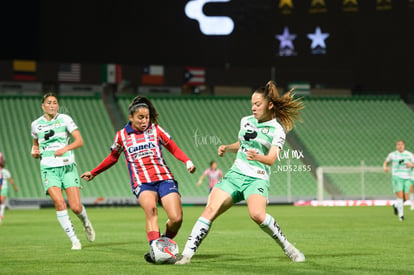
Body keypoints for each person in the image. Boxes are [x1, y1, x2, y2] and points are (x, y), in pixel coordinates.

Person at [176, 80, 306, 265]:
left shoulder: (277, 130)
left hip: (257, 178)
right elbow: (243, 144)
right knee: (210, 209)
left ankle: (289, 248)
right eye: (252, 104)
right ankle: (186, 256)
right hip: (235, 175)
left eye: (257, 104)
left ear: (269, 105)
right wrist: (227, 147)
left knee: (257, 215)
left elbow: (271, 159)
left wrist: (257, 157)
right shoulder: (246, 121)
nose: (253, 108)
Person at [80, 96, 196, 263]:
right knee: (151, 211)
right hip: (142, 182)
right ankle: (156, 251)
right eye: (141, 117)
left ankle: (162, 242)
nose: (145, 121)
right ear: (131, 118)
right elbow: (113, 157)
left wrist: (187, 161)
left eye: (147, 117)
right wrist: (94, 172)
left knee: (176, 218)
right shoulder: (122, 135)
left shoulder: (156, 130)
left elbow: (173, 146)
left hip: (164, 179)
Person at [31, 92, 95, 250]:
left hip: (67, 166)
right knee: (59, 203)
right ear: (43, 106)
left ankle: (86, 222)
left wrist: (65, 148)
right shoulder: (35, 124)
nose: (52, 105)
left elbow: (79, 141)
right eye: (49, 102)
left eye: (54, 102)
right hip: (48, 168)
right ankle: (75, 240)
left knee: (75, 207)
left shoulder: (65, 119)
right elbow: (36, 145)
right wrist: (34, 151)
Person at [383, 140, 414, 221]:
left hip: (407, 177)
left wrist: (411, 165)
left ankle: (396, 205)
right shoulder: (392, 155)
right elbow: (386, 162)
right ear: (396, 146)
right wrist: (385, 167)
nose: (400, 146)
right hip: (397, 177)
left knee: (406, 198)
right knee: (400, 196)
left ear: (404, 146)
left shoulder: (409, 154)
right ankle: (401, 216)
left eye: (401, 144)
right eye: (398, 144)